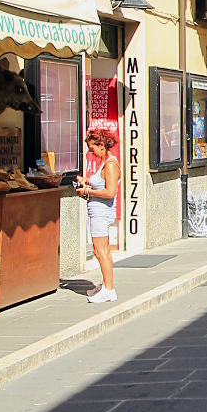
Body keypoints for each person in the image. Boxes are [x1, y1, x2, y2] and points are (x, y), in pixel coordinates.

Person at [77, 127, 121, 304]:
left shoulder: (110, 164)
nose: (90, 151)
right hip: (98, 212)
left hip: (101, 213)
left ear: (101, 145)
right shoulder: (105, 163)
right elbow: (101, 182)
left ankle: (109, 289)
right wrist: (87, 181)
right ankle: (105, 284)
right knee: (100, 250)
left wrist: (88, 191)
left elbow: (110, 192)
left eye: (92, 148)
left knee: (101, 251)